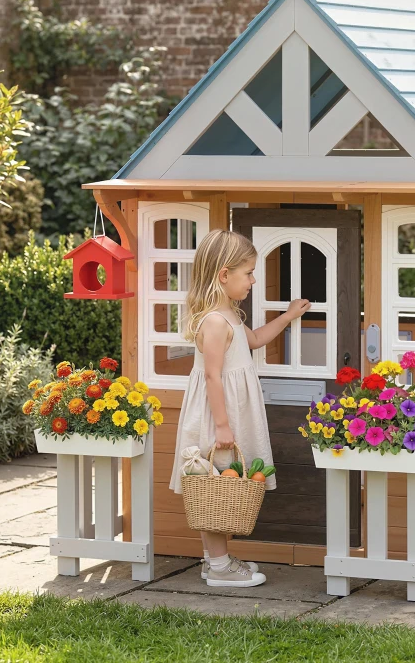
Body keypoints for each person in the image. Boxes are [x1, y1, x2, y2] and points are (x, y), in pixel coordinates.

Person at [169, 229, 310, 587]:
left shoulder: (229, 314)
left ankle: (213, 559)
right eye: (247, 273)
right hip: (219, 413)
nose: (253, 280)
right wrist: (222, 426)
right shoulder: (214, 322)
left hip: (230, 409)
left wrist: (289, 315)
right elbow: (213, 378)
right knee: (215, 485)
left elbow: (257, 339)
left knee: (219, 485)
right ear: (223, 275)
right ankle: (219, 568)